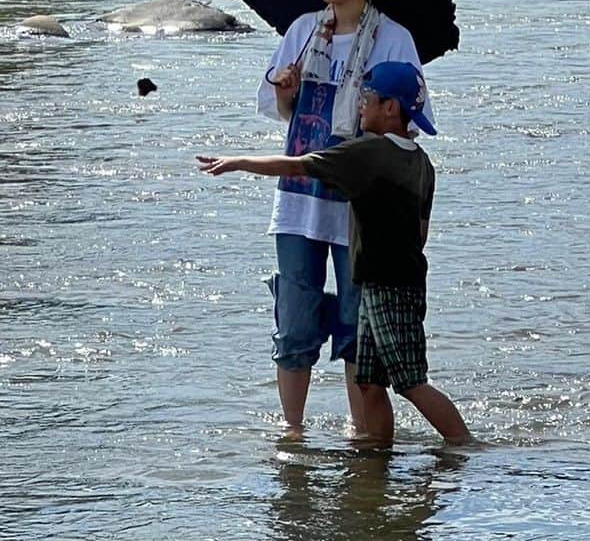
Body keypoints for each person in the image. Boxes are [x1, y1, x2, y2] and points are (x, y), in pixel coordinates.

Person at [201, 61, 469, 445]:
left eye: (366, 99)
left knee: (410, 382)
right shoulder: (421, 162)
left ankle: (465, 446)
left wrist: (239, 163)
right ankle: (378, 454)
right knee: (369, 382)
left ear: (390, 108)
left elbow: (297, 166)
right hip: (401, 282)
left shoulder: (368, 152)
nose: (359, 106)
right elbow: (421, 233)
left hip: (385, 286)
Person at [255, 0, 433, 436]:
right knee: (294, 320)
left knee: (358, 326)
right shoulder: (303, 30)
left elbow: (411, 121)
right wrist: (287, 87)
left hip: (360, 207)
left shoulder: (393, 39)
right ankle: (293, 437)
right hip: (298, 198)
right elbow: (280, 109)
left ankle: (363, 439)